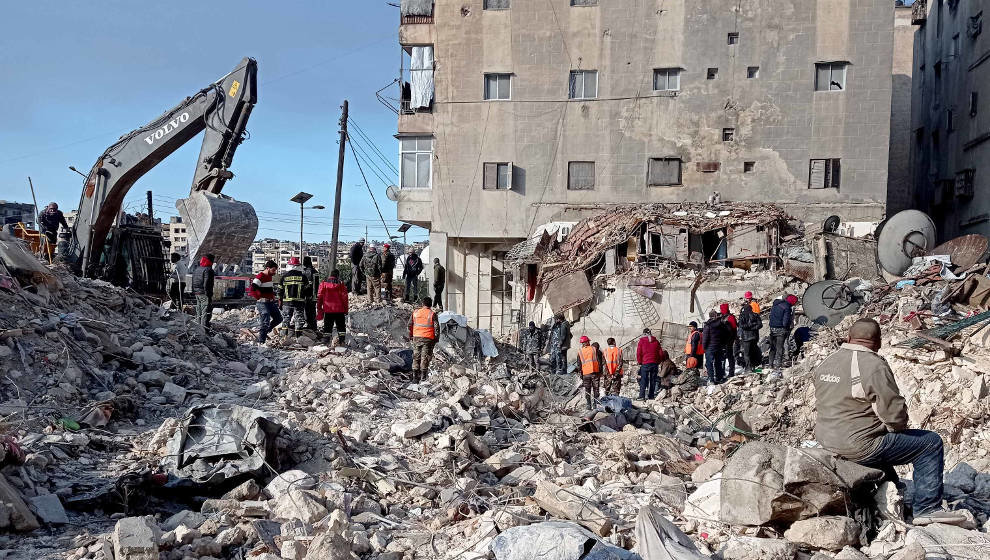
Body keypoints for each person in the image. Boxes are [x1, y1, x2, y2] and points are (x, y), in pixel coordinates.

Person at [814, 319, 967, 526]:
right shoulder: (874, 365)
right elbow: (894, 414)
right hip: (858, 445)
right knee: (930, 443)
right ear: (878, 342)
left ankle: (893, 492)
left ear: (848, 338)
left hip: (826, 439)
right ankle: (928, 508)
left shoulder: (827, 361)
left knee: (879, 437)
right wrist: (896, 428)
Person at [408, 296, 440, 382]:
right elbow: (436, 328)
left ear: (422, 304)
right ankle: (423, 377)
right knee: (425, 357)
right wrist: (436, 339)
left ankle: (415, 377)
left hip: (417, 337)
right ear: (430, 304)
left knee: (416, 356)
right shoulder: (432, 314)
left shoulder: (415, 312)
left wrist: (411, 335)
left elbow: (410, 325)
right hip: (428, 339)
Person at [251, 260, 283, 343]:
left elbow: (269, 290)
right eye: (273, 270)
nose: (274, 272)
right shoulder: (260, 276)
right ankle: (261, 341)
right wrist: (259, 297)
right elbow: (253, 289)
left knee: (278, 318)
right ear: (268, 268)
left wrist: (273, 296)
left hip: (270, 302)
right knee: (265, 321)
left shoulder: (270, 277)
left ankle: (264, 332)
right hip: (262, 302)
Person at [316, 269, 349, 346]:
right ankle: (342, 341)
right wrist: (346, 310)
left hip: (328, 310)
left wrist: (319, 308)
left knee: (327, 327)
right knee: (341, 327)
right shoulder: (341, 284)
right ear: (338, 275)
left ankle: (325, 342)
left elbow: (319, 297)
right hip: (339, 310)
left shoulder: (324, 284)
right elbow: (345, 298)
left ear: (330, 275)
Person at [280, 257, 309, 337]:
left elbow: (280, 290)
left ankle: (283, 336)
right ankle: (298, 337)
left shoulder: (284, 277)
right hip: (299, 302)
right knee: (299, 319)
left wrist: (280, 300)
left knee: (286, 318)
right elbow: (307, 289)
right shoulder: (303, 277)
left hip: (286, 302)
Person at [768, 294, 796, 371]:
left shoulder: (775, 304)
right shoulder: (787, 307)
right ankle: (778, 366)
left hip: (772, 328)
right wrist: (788, 326)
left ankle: (770, 364)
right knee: (779, 348)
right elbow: (785, 322)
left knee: (772, 347)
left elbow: (771, 317)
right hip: (781, 329)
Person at [575, 336, 601, 410]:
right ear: (587, 342)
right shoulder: (594, 349)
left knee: (587, 389)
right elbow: (599, 361)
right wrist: (600, 372)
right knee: (596, 388)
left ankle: (588, 405)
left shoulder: (580, 352)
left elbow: (579, 364)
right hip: (595, 372)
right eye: (588, 341)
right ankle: (595, 404)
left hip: (585, 373)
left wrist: (580, 373)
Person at [636, 328, 663, 400]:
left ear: (644, 333)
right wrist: (658, 361)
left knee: (643, 379)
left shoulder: (641, 341)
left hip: (645, 363)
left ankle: (642, 396)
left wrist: (640, 362)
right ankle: (651, 396)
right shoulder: (656, 341)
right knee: (653, 380)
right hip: (654, 363)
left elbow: (639, 353)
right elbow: (661, 353)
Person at [703, 310, 728, 385]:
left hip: (710, 347)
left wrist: (704, 347)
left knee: (709, 363)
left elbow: (705, 337)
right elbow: (725, 334)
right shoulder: (721, 324)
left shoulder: (708, 325)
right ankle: (719, 377)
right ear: (716, 315)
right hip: (718, 346)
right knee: (718, 362)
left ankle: (711, 379)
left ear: (709, 316)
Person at [191, 253, 216, 328]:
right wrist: (208, 293)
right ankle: (204, 329)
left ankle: (198, 327)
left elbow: (193, 281)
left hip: (197, 292)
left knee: (199, 310)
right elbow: (207, 283)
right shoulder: (209, 270)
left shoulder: (197, 269)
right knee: (206, 311)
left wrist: (194, 291)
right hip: (204, 293)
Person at [737, 301, 763, 372]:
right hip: (754, 337)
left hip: (746, 338)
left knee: (746, 353)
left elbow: (741, 326)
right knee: (753, 352)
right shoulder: (755, 315)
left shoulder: (742, 316)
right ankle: (754, 366)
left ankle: (748, 368)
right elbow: (760, 325)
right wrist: (753, 327)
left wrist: (749, 327)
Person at [720, 303, 738, 376]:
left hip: (728, 340)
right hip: (727, 339)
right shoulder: (729, 317)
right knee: (725, 356)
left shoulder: (729, 317)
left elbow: (734, 329)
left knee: (729, 356)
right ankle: (726, 371)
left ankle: (731, 371)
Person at [302, 257, 319, 331]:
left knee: (307, 311)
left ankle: (310, 326)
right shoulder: (315, 271)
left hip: (307, 296)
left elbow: (304, 286)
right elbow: (317, 285)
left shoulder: (305, 272)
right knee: (312, 312)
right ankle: (313, 327)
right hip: (313, 295)